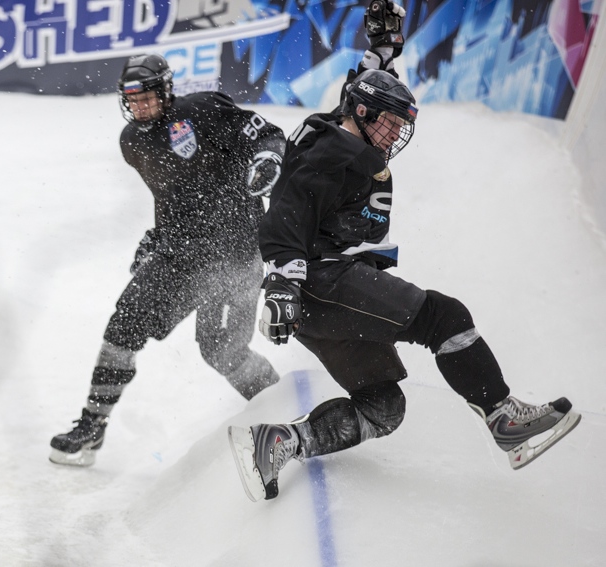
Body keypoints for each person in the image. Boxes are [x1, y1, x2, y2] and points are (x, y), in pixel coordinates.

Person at [227, 2, 581, 501]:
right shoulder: (333, 153)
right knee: (443, 316)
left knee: (382, 406)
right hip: (323, 282)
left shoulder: (337, 129)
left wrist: (382, 52)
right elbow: (287, 210)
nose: (396, 134)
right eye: (390, 123)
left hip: (321, 296)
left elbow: (362, 92)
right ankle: (504, 419)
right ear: (365, 114)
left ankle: (279, 442)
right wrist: (284, 281)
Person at [50, 53, 286, 466]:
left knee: (222, 352)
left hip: (236, 254)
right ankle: (93, 425)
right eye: (131, 98)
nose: (139, 106)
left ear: (166, 91)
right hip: (181, 254)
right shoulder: (131, 142)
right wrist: (156, 236)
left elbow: (268, 134)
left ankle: (287, 419)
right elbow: (176, 196)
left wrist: (267, 158)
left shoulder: (204, 109)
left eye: (146, 97)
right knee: (122, 327)